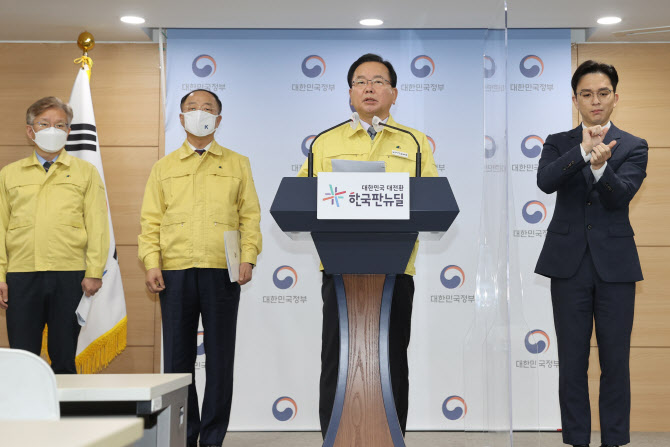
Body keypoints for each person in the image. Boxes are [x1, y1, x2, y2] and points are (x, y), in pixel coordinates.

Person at [298, 53, 438, 437]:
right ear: (350, 93)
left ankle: (393, 437)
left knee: (392, 359)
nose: (369, 88)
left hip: (396, 268)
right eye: (360, 81)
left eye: (378, 81)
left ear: (394, 93)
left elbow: (432, 199)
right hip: (340, 268)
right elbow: (301, 198)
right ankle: (333, 438)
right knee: (338, 357)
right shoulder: (325, 142)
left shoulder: (414, 142)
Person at [138, 89, 261, 447]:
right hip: (174, 271)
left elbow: (250, 216)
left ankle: (212, 438)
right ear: (180, 118)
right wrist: (151, 262)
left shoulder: (238, 163)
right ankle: (184, 433)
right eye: (192, 108)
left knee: (220, 359)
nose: (199, 113)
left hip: (222, 269)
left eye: (207, 108)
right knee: (178, 361)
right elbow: (150, 220)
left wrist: (248, 256)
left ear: (218, 119)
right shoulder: (163, 167)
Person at [535, 60, 648, 447]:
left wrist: (601, 169)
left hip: (616, 267)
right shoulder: (558, 141)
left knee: (615, 360)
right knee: (572, 361)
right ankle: (577, 440)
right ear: (575, 100)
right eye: (586, 94)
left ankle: (613, 440)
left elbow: (620, 197)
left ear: (615, 97)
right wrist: (582, 152)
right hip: (567, 265)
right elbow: (546, 181)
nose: (595, 101)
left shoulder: (633, 145)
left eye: (603, 93)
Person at [0, 96, 109, 374]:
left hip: (70, 275)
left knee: (64, 357)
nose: (52, 130)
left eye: (60, 125)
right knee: (24, 360)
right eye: (44, 124)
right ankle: (27, 404)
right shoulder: (9, 175)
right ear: (30, 131)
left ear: (68, 131)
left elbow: (97, 224)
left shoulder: (86, 173)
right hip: (22, 275)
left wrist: (94, 271)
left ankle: (65, 404)